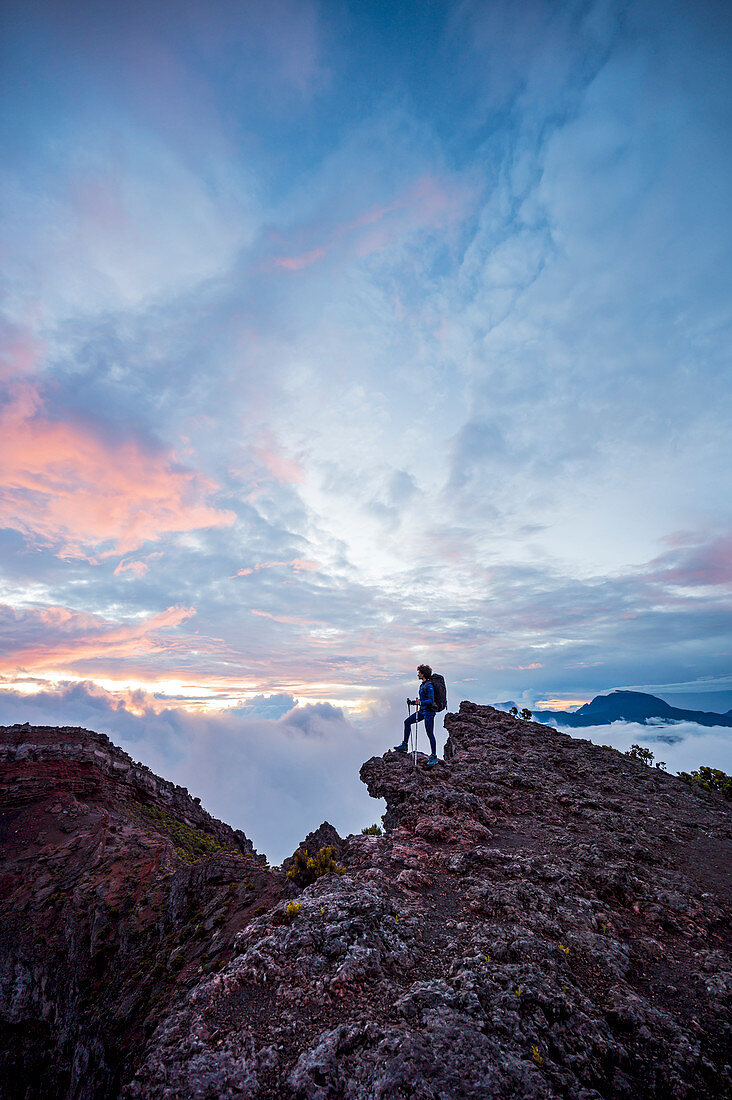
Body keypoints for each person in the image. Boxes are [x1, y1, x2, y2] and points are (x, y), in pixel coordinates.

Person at [394, 664, 438, 766]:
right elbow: (422, 700)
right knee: (407, 722)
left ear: (423, 674)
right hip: (423, 711)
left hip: (429, 713)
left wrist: (420, 703)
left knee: (430, 733)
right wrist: (413, 702)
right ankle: (404, 745)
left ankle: (434, 756)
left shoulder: (429, 685)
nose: (418, 674)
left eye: (419, 672)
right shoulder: (422, 685)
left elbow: (431, 700)